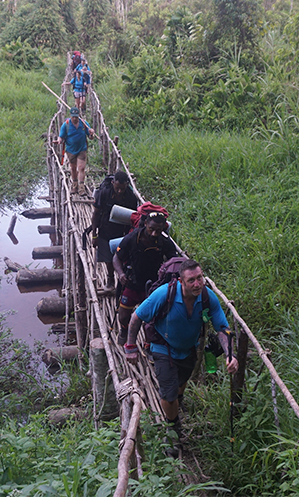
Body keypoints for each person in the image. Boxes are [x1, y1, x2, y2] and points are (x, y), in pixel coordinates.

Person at [123, 259, 238, 450]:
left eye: (200, 278)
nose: (197, 284)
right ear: (180, 282)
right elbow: (136, 317)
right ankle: (173, 429)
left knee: (180, 385)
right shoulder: (164, 294)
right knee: (168, 395)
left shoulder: (208, 298)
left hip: (188, 349)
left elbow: (222, 328)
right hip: (163, 347)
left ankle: (177, 405)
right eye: (191, 280)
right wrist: (130, 346)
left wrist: (229, 355)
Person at [113, 212, 177, 345]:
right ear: (146, 224)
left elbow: (173, 261)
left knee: (151, 320)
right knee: (124, 315)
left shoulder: (165, 242)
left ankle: (148, 345)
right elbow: (117, 257)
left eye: (158, 231)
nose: (154, 233)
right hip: (132, 282)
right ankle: (125, 330)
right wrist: (121, 274)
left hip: (153, 286)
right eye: (151, 229)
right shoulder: (132, 238)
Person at [91, 171, 138, 294]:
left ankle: (123, 283)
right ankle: (110, 279)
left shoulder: (131, 197)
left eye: (122, 189)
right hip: (105, 229)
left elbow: (133, 218)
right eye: (117, 188)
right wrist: (94, 235)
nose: (119, 191)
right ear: (112, 183)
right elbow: (95, 214)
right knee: (107, 256)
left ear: (127, 184)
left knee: (122, 256)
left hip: (122, 232)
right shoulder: (104, 193)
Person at [58, 107, 95, 196]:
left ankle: (81, 188)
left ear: (79, 116)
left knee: (81, 167)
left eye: (76, 117)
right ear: (70, 116)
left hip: (82, 149)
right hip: (71, 150)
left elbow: (90, 137)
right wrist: (59, 140)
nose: (74, 118)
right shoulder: (66, 125)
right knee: (73, 168)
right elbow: (61, 136)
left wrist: (91, 133)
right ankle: (74, 185)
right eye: (73, 116)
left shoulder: (84, 124)